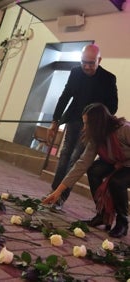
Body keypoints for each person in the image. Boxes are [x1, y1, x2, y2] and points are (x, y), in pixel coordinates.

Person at [47, 43, 118, 211]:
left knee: (76, 159)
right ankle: (54, 192)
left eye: (91, 63)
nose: (86, 66)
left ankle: (60, 198)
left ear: (99, 60)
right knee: (64, 155)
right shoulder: (75, 72)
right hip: (73, 120)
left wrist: (97, 118)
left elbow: (113, 106)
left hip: (91, 126)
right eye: (83, 62)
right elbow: (65, 97)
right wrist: (55, 120)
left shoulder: (108, 78)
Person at [43, 103, 129, 238]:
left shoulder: (124, 130)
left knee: (117, 182)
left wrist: (124, 164)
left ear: (97, 122)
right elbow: (82, 164)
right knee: (94, 170)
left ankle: (122, 222)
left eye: (87, 123)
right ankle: (102, 214)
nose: (84, 128)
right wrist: (58, 191)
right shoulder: (97, 137)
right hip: (116, 161)